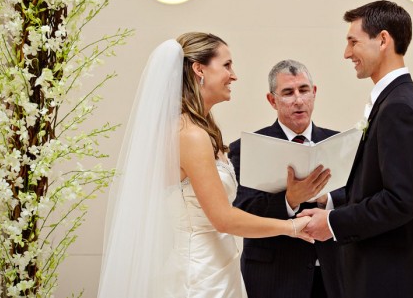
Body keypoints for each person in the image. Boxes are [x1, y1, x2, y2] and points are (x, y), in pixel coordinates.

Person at [97, 33, 313, 298]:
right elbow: (223, 218)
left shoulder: (199, 128)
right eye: (226, 65)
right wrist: (290, 228)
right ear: (199, 69)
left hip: (218, 269)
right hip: (199, 277)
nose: (233, 75)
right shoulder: (190, 134)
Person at [300, 0, 413, 297]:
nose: (346, 53)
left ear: (383, 40)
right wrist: (329, 199)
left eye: (353, 41)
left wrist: (332, 223)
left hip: (394, 280)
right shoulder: (396, 101)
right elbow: (381, 185)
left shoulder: (400, 108)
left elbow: (400, 201)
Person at [228, 60, 345, 298]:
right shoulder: (247, 148)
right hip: (274, 276)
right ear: (272, 100)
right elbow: (242, 209)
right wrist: (289, 200)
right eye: (288, 93)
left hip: (335, 272)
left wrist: (326, 199)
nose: (298, 100)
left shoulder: (341, 143)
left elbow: (360, 198)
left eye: (303, 90)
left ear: (314, 93)